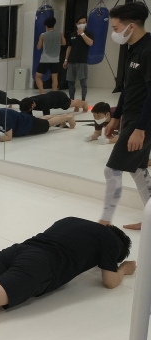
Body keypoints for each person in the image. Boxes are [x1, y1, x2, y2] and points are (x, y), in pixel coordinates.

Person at [0, 217, 135, 314]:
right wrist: (124, 268)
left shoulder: (73, 220)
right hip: (39, 266)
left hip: (19, 250)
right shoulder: (113, 241)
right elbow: (109, 281)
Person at [100, 2, 151, 231]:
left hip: (143, 120)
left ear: (131, 26)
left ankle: (104, 223)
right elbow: (128, 88)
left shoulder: (149, 50)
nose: (114, 33)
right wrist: (115, 116)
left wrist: (140, 129)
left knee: (112, 170)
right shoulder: (133, 48)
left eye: (116, 28)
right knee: (137, 169)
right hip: (131, 117)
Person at [0, 104, 75, 143]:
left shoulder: (4, 117)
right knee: (42, 120)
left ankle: (68, 117)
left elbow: (8, 137)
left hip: (29, 125)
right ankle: (63, 116)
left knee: (48, 124)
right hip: (23, 119)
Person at [64, 15, 95, 101]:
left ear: (86, 23)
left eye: (83, 22)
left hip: (82, 61)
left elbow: (90, 43)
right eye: (80, 23)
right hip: (71, 61)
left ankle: (83, 100)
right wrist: (66, 60)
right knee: (70, 81)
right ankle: (71, 99)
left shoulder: (89, 33)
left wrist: (82, 34)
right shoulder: (72, 34)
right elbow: (69, 47)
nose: (82, 24)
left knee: (83, 82)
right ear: (76, 24)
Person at [36, 17, 65, 94]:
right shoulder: (60, 33)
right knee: (54, 77)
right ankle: (54, 93)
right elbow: (64, 43)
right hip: (55, 59)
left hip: (45, 59)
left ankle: (42, 93)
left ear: (46, 26)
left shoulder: (43, 35)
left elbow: (38, 47)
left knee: (38, 76)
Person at [19, 91, 88, 116]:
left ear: (33, 104)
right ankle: (77, 106)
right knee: (71, 103)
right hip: (51, 96)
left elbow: (47, 117)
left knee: (69, 105)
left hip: (59, 97)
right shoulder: (27, 102)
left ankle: (84, 103)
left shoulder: (43, 103)